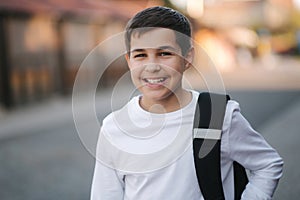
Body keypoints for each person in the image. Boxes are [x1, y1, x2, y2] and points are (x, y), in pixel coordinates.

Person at [91, 6, 283, 200]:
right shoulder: (114, 127)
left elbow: (268, 164)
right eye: (140, 55)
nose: (152, 66)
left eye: (164, 54)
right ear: (129, 61)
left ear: (187, 57)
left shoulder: (218, 116)